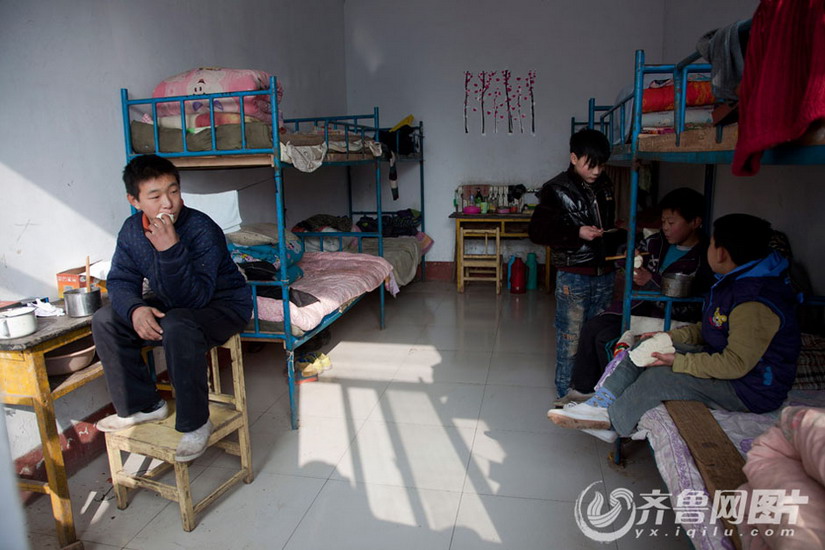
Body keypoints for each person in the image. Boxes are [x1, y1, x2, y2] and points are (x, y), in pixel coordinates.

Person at [548, 213, 801, 444]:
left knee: (662, 376)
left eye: (711, 244)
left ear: (722, 253)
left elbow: (735, 364)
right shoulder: (735, 281)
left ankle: (612, 423)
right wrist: (667, 336)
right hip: (725, 361)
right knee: (643, 346)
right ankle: (598, 405)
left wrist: (679, 361)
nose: (708, 249)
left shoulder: (755, 301)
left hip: (750, 388)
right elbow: (712, 327)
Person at [92, 154, 252, 462]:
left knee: (178, 324)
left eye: (174, 191)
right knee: (106, 319)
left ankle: (196, 423)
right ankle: (144, 406)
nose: (168, 203)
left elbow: (197, 299)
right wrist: (136, 309)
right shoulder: (130, 231)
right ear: (134, 200)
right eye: (155, 196)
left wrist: (170, 250)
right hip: (173, 303)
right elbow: (121, 280)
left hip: (223, 305)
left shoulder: (201, 228)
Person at [561, 187, 714, 405]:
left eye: (672, 223)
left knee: (607, 340)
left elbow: (691, 305)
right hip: (637, 306)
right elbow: (628, 256)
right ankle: (584, 391)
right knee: (592, 327)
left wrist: (651, 282)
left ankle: (614, 398)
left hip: (664, 317)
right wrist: (628, 258)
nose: (666, 228)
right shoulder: (657, 242)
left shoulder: (703, 258)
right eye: (663, 222)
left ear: (695, 222)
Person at [529, 128, 618, 401]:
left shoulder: (604, 186)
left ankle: (590, 393)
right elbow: (537, 233)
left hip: (604, 273)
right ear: (574, 158)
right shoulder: (555, 189)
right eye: (591, 164)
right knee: (570, 339)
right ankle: (565, 395)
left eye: (601, 164)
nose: (596, 170)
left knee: (599, 338)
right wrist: (576, 232)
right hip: (573, 277)